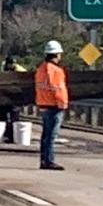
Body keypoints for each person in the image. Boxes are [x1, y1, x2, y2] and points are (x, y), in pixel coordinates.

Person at [35, 40, 70, 170]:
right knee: (51, 136)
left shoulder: (41, 69)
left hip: (43, 104)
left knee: (45, 135)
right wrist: (63, 104)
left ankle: (44, 160)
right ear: (56, 54)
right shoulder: (56, 71)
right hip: (54, 106)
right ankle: (49, 161)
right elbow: (58, 88)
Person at [0, 55, 26, 144]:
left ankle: (13, 136)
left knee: (14, 117)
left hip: (15, 97)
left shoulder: (19, 69)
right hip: (3, 95)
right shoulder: (2, 68)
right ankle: (5, 134)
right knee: (3, 116)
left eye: (13, 64)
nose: (11, 66)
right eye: (10, 64)